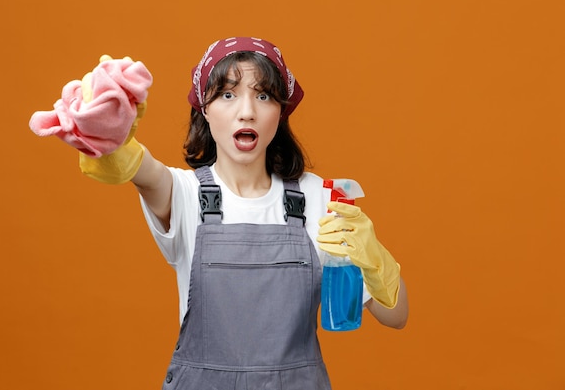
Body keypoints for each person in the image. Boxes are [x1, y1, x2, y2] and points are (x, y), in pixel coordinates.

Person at [31, 37, 408, 389]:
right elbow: (136, 167)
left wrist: (374, 260)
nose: (247, 112)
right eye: (227, 94)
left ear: (281, 111)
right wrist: (107, 130)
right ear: (205, 110)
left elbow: (397, 317)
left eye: (263, 96)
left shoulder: (316, 196)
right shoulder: (184, 193)